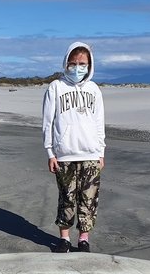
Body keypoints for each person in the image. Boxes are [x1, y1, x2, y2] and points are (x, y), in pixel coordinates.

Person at [42, 41, 105, 253]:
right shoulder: (56, 87)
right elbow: (48, 122)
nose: (77, 67)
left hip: (90, 153)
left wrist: (101, 151)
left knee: (88, 199)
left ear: (89, 65)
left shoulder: (94, 89)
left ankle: (84, 239)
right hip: (64, 154)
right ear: (66, 63)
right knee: (66, 197)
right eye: (73, 63)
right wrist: (50, 152)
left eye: (82, 63)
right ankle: (65, 238)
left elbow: (99, 122)